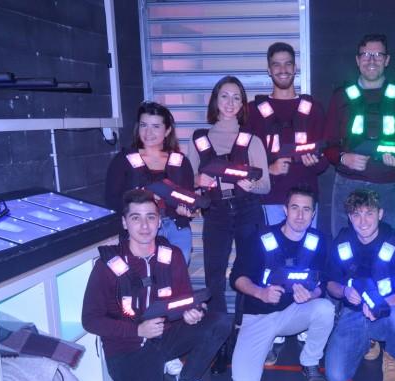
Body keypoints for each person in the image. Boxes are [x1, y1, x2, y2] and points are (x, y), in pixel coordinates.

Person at [81, 189, 231, 381]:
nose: (144, 226)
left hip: (166, 337)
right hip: (126, 349)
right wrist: (137, 330)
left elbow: (184, 299)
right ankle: (146, 375)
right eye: (136, 218)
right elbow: (90, 320)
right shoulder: (107, 266)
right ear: (124, 223)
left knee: (220, 321)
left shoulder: (172, 256)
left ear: (159, 221)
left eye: (150, 217)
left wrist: (192, 313)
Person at [230, 185, 334, 381]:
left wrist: (311, 295)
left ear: (313, 214)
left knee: (325, 308)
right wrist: (260, 293)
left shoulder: (319, 241)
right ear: (285, 210)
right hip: (259, 315)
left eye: (306, 209)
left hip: (293, 313)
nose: (300, 216)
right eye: (295, 208)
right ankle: (267, 343)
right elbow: (237, 278)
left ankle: (310, 361)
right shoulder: (261, 237)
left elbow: (322, 282)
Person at [186, 76, 271, 314]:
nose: (230, 102)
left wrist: (252, 186)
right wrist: (197, 181)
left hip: (248, 209)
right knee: (214, 274)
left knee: (249, 271)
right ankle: (217, 326)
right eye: (224, 96)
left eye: (236, 98)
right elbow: (187, 182)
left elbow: (266, 185)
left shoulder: (252, 140)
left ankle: (246, 322)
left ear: (242, 104)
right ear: (215, 100)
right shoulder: (199, 139)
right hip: (216, 212)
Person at [325, 189, 395, 381]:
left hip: (387, 312)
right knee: (336, 377)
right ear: (350, 217)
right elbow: (330, 283)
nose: (363, 221)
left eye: (369, 213)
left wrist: (380, 305)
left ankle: (391, 355)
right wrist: (344, 291)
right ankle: (368, 341)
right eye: (356, 214)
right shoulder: (342, 241)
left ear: (380, 214)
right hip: (352, 313)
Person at [323, 33, 395, 236]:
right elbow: (327, 144)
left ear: (387, 60)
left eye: (378, 55)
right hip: (347, 184)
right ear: (357, 60)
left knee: (389, 246)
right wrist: (343, 157)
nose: (371, 60)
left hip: (386, 185)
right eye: (365, 54)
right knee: (343, 246)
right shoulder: (341, 95)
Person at [245, 42, 329, 228]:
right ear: (269, 70)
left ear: (295, 68)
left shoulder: (314, 109)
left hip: (306, 202)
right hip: (269, 200)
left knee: (308, 248)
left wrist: (314, 162)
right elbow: (242, 160)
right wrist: (268, 170)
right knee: (271, 247)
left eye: (288, 63)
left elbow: (326, 158)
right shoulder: (253, 111)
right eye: (276, 64)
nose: (282, 69)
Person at [105, 101, 195, 265]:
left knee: (177, 276)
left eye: (156, 126)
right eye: (144, 125)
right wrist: (141, 198)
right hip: (139, 230)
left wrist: (185, 210)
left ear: (167, 130)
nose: (148, 132)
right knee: (143, 276)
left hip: (176, 228)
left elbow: (189, 198)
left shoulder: (181, 161)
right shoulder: (123, 160)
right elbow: (111, 199)